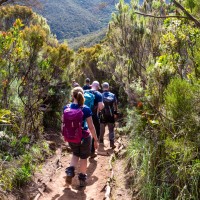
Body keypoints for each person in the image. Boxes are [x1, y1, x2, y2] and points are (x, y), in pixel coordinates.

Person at [61, 87, 99, 187]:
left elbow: (63, 124)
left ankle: (70, 172)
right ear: (82, 95)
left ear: (72, 96)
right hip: (84, 137)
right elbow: (91, 126)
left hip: (71, 137)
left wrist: (65, 136)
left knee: (75, 154)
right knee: (83, 158)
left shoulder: (66, 108)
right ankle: (82, 180)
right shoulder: (85, 109)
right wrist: (96, 139)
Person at [87, 81, 104, 158]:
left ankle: (82, 150)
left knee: (85, 131)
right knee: (95, 131)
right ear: (97, 87)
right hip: (93, 116)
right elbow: (100, 107)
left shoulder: (84, 92)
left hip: (83, 116)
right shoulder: (98, 94)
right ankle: (92, 151)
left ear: (91, 86)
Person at [99, 82, 118, 148]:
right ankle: (112, 143)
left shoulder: (100, 95)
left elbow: (99, 105)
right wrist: (115, 113)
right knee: (111, 129)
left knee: (102, 129)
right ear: (108, 87)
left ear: (102, 87)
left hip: (102, 114)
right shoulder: (112, 95)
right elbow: (115, 105)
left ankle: (101, 142)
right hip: (110, 114)